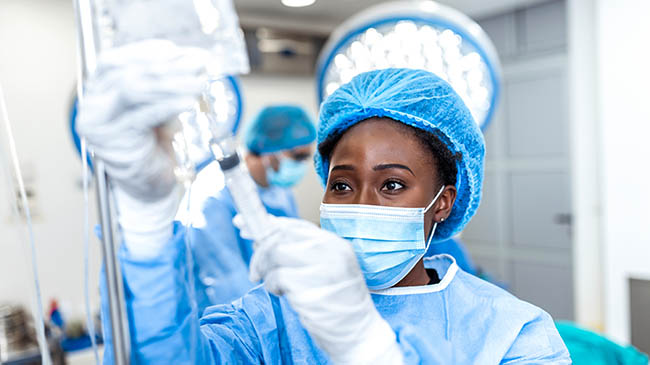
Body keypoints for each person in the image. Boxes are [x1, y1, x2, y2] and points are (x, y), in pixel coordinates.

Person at [77, 41, 571, 364]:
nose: (362, 204)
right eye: (342, 184)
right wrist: (142, 222)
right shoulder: (268, 319)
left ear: (443, 202)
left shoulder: (512, 334)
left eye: (393, 185)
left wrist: (368, 349)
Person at [181, 104, 316, 312]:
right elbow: (229, 286)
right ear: (269, 153)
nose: (303, 165)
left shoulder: (279, 191)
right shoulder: (213, 198)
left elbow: (289, 260)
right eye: (298, 157)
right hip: (224, 319)